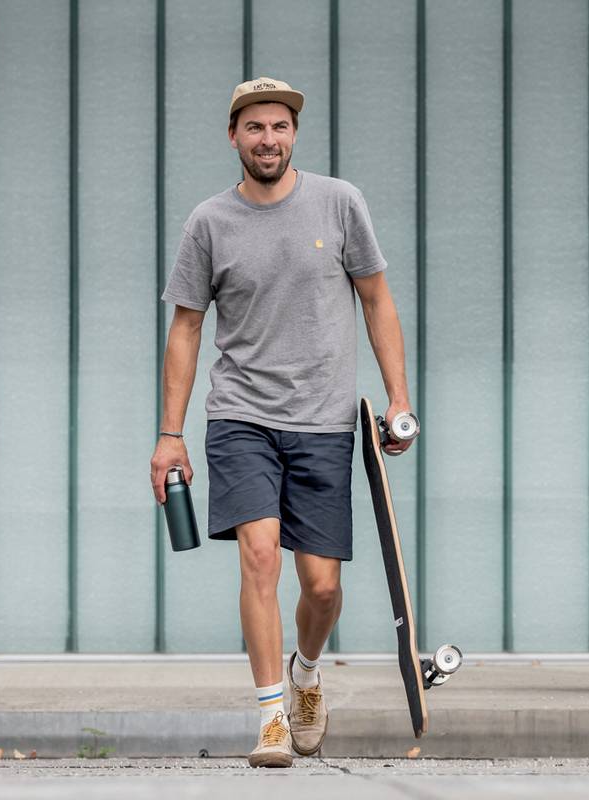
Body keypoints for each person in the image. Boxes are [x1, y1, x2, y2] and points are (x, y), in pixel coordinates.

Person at [149, 76, 415, 767]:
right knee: (259, 554)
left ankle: (305, 673)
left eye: (280, 127)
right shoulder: (209, 222)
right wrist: (170, 433)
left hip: (324, 419)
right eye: (255, 127)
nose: (269, 139)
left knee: (322, 585)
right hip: (241, 415)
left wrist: (398, 399)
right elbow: (185, 329)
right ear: (233, 136)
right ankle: (271, 716)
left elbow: (378, 301)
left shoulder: (340, 202)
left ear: (294, 135)